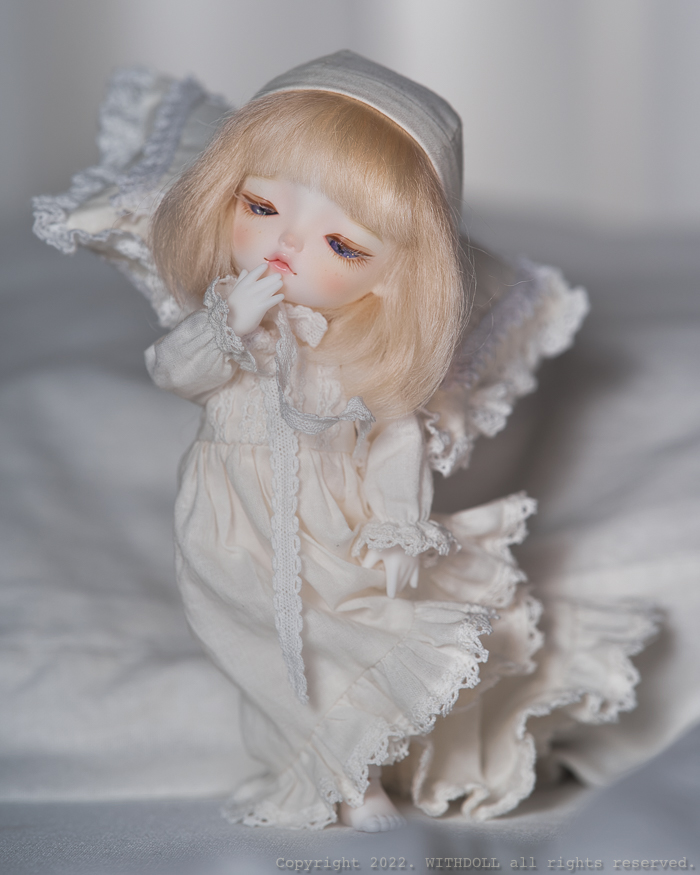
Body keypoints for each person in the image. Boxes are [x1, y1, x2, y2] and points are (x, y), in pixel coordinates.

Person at [33, 52, 655, 833]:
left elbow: (397, 435)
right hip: (232, 522)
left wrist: (397, 523)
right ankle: (326, 774)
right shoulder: (234, 317)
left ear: (395, 276)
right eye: (261, 205)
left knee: (357, 638)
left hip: (341, 525)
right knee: (263, 650)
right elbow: (173, 371)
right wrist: (226, 327)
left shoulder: (357, 351)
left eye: (344, 246)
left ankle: (364, 775)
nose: (287, 245)